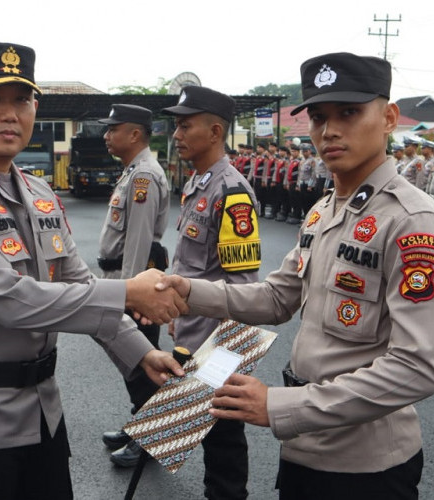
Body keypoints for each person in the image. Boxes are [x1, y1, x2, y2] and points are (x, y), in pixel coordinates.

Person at [155, 52, 434, 500]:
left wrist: (281, 405)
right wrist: (186, 291)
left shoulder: (413, 221)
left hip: (364, 466)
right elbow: (277, 298)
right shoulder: (324, 210)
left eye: (349, 112)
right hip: (305, 449)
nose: (329, 130)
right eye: (318, 117)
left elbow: (416, 369)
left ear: (389, 118)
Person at [0, 42, 185, 500]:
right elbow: (10, 300)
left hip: (42, 412)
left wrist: (141, 354)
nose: (10, 114)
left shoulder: (39, 192)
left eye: (22, 99)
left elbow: (78, 285)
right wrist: (128, 293)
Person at [161, 85, 260, 500]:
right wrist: (176, 316)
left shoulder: (231, 192)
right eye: (177, 126)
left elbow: (242, 287)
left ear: (216, 131)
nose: (176, 135)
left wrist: (224, 356)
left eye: (186, 126)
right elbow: (188, 262)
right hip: (192, 330)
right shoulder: (199, 183)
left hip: (215, 341)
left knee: (222, 434)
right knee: (198, 428)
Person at [96, 104, 171, 466]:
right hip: (122, 279)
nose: (106, 135)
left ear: (135, 134)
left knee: (142, 359)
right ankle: (141, 425)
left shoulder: (144, 176)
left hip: (135, 283)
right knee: (133, 358)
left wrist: (131, 293)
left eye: (113, 129)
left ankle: (150, 437)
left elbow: (139, 241)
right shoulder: (133, 172)